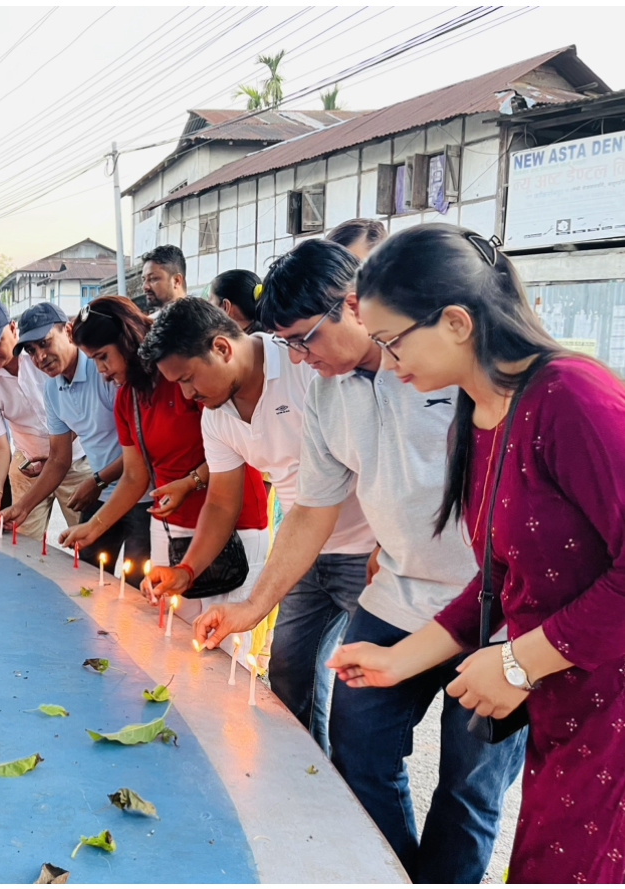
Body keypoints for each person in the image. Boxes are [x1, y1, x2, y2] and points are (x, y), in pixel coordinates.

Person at [192, 238, 525, 882]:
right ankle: (393, 874)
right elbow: (312, 510)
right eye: (285, 343)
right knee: (359, 748)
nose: (298, 357)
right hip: (398, 596)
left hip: (496, 609)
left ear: (353, 306)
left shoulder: (466, 371)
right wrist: (253, 605)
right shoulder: (326, 394)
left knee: (468, 786)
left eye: (305, 339)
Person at [327, 224, 625, 884]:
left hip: (610, 706)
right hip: (564, 702)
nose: (385, 358)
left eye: (392, 340)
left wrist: (516, 662)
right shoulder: (484, 407)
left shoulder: (572, 396)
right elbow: (499, 573)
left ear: (456, 321)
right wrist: (399, 660)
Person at [141, 297, 374, 729]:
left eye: (189, 379)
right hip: (301, 551)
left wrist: (386, 543)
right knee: (288, 676)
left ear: (222, 348)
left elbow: (374, 458)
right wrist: (187, 570)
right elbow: (222, 501)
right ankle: (307, 778)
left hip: (367, 552)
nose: (188, 396)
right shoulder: (216, 414)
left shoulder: (306, 366)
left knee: (365, 707)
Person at [60, 296, 255, 622]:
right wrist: (94, 526)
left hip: (233, 524)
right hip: (170, 529)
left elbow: (236, 449)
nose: (102, 372)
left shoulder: (189, 379)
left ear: (127, 340)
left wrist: (191, 482)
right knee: (168, 634)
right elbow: (135, 476)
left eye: (103, 357)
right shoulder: (127, 399)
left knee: (224, 650)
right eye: (93, 361)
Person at [0, 303, 150, 567]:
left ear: (68, 331)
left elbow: (143, 444)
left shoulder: (105, 370)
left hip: (143, 493)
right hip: (102, 493)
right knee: (87, 573)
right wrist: (22, 507)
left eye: (45, 343)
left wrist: (97, 481)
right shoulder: (52, 389)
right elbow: (58, 458)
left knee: (138, 583)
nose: (40, 357)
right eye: (31, 351)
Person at [0, 300, 89, 539]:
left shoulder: (47, 359)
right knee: (22, 545)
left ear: (12, 328)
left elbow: (82, 413)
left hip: (78, 457)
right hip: (27, 466)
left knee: (85, 544)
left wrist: (56, 453)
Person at [208, 269, 262, 334]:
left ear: (225, 307)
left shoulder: (220, 343)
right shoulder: (268, 339)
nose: (206, 304)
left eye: (209, 299)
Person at [141, 245, 188, 312]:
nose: (145, 287)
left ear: (176, 281)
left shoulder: (200, 320)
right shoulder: (151, 321)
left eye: (153, 279)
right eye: (143, 280)